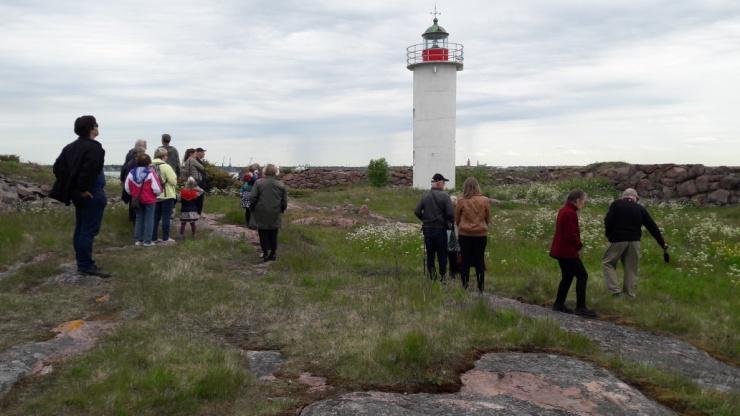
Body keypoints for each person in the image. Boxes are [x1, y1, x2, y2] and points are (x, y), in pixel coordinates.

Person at [50, 115, 111, 278]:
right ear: (91, 128)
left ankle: (82, 263)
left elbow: (57, 168)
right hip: (91, 193)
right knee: (88, 230)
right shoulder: (94, 147)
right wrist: (82, 188)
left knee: (81, 228)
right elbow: (89, 170)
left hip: (79, 194)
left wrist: (73, 188)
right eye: (96, 125)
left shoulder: (70, 147)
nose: (98, 127)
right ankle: (85, 265)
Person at [602, 188, 667, 298]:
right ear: (636, 198)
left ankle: (615, 291)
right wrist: (662, 244)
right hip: (635, 241)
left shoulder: (616, 204)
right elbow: (653, 227)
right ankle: (629, 295)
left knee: (608, 263)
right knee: (631, 268)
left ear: (623, 197)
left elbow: (608, 221)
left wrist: (609, 235)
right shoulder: (640, 208)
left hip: (618, 239)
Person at [549, 190, 597, 318]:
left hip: (561, 250)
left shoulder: (564, 210)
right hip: (567, 251)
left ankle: (558, 304)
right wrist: (579, 245)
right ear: (576, 200)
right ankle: (581, 307)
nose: (584, 204)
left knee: (568, 276)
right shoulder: (570, 213)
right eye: (583, 201)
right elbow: (570, 234)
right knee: (582, 275)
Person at [414, 173, 454, 281]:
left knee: (430, 254)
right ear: (439, 183)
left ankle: (432, 277)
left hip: (428, 230)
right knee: (442, 254)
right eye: (443, 182)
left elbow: (417, 211)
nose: (444, 185)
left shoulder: (425, 195)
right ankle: (443, 277)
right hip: (441, 229)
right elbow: (450, 214)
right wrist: (451, 222)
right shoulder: (445, 196)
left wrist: (425, 220)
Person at [455, 177, 491, 292]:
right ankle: (481, 288)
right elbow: (488, 218)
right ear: (477, 186)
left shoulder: (461, 201)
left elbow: (456, 219)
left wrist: (462, 225)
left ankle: (464, 286)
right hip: (480, 234)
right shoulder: (485, 200)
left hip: (464, 234)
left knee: (465, 260)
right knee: (480, 260)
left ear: (465, 187)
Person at [249, 164, 288, 261]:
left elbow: (252, 197)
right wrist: (282, 209)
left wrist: (252, 207)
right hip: (275, 211)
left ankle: (265, 253)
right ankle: (273, 253)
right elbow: (284, 201)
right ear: (275, 172)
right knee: (274, 232)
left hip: (261, 211)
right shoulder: (281, 184)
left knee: (263, 232)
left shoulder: (258, 183)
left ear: (264, 172)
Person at [124, 154, 162, 246]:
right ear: (149, 162)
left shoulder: (131, 173)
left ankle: (138, 240)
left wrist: (133, 194)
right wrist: (156, 195)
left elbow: (127, 188)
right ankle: (147, 241)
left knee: (139, 218)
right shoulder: (150, 173)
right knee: (149, 219)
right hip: (149, 199)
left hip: (136, 199)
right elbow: (157, 189)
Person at [151, 147, 178, 243]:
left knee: (155, 218)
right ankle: (165, 238)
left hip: (153, 195)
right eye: (166, 155)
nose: (167, 157)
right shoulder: (166, 166)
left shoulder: (149, 165)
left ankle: (153, 237)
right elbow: (173, 181)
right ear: (163, 156)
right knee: (166, 217)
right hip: (166, 195)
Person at [119, 146, 146, 224]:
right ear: (138, 153)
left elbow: (123, 174)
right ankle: (135, 226)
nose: (144, 155)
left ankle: (133, 224)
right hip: (134, 191)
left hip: (132, 190)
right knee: (135, 210)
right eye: (143, 153)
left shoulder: (131, 162)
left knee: (133, 208)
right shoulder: (134, 164)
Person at [182, 147, 206, 214]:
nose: (195, 155)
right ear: (191, 154)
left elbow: (186, 172)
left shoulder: (186, 161)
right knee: (200, 194)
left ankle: (191, 211)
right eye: (195, 153)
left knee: (192, 196)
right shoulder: (192, 160)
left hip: (189, 180)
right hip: (196, 180)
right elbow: (202, 167)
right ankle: (198, 212)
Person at [447, 195, 461, 280]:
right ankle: (453, 271)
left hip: (455, 234)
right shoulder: (450, 212)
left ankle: (454, 271)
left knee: (455, 253)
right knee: (453, 253)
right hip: (452, 234)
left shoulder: (455, 211)